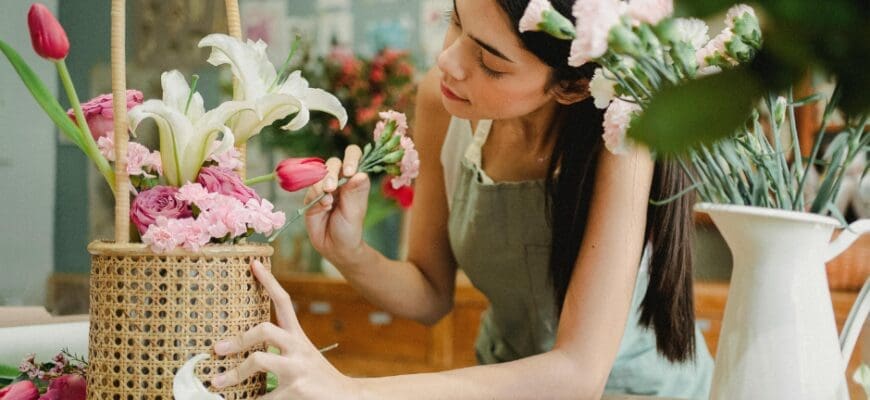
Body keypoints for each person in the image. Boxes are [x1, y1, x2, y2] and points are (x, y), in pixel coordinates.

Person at [210, 0, 713, 398]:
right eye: (456, 21)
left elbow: (578, 375)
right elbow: (430, 294)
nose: (448, 62)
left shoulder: (623, 136)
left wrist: (349, 390)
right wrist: (349, 251)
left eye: (490, 62)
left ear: (571, 86)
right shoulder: (444, 101)